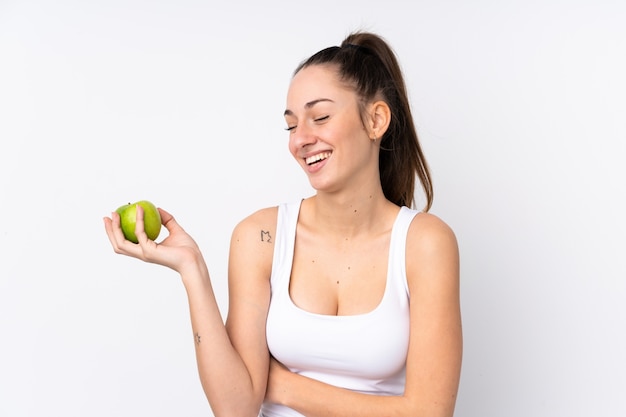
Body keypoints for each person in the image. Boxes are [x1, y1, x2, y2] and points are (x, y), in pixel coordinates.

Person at [104, 31, 462, 417]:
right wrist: (193, 271)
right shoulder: (260, 238)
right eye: (292, 126)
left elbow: (430, 413)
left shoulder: (425, 243)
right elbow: (236, 408)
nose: (301, 140)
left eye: (320, 117)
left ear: (376, 120)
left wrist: (283, 386)